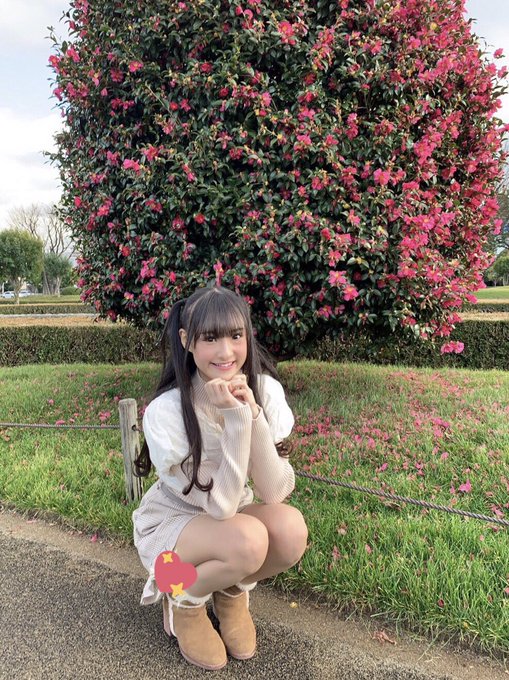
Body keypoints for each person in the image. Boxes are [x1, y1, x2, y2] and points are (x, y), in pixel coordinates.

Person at [132, 285, 308, 671]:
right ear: (186, 341)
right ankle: (184, 599)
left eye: (235, 335)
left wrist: (253, 415)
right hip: (176, 525)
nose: (226, 352)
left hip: (228, 522)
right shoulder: (168, 412)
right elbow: (222, 506)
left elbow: (275, 491)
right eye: (210, 338)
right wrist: (234, 420)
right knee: (247, 540)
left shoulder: (264, 391)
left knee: (290, 530)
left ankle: (229, 592)